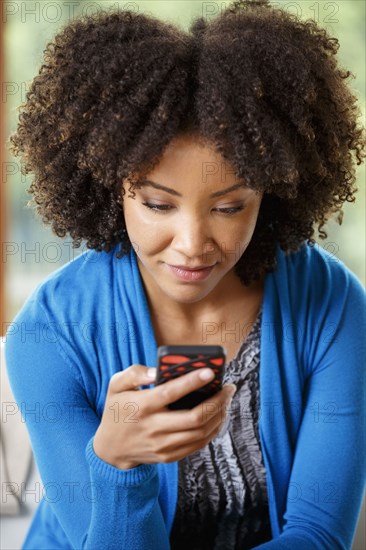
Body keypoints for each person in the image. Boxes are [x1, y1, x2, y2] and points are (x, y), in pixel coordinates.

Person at [4, 0, 366, 548]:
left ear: (271, 192)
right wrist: (117, 464)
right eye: (157, 204)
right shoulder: (46, 335)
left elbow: (317, 535)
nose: (193, 246)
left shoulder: (334, 305)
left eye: (228, 207)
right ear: (111, 187)